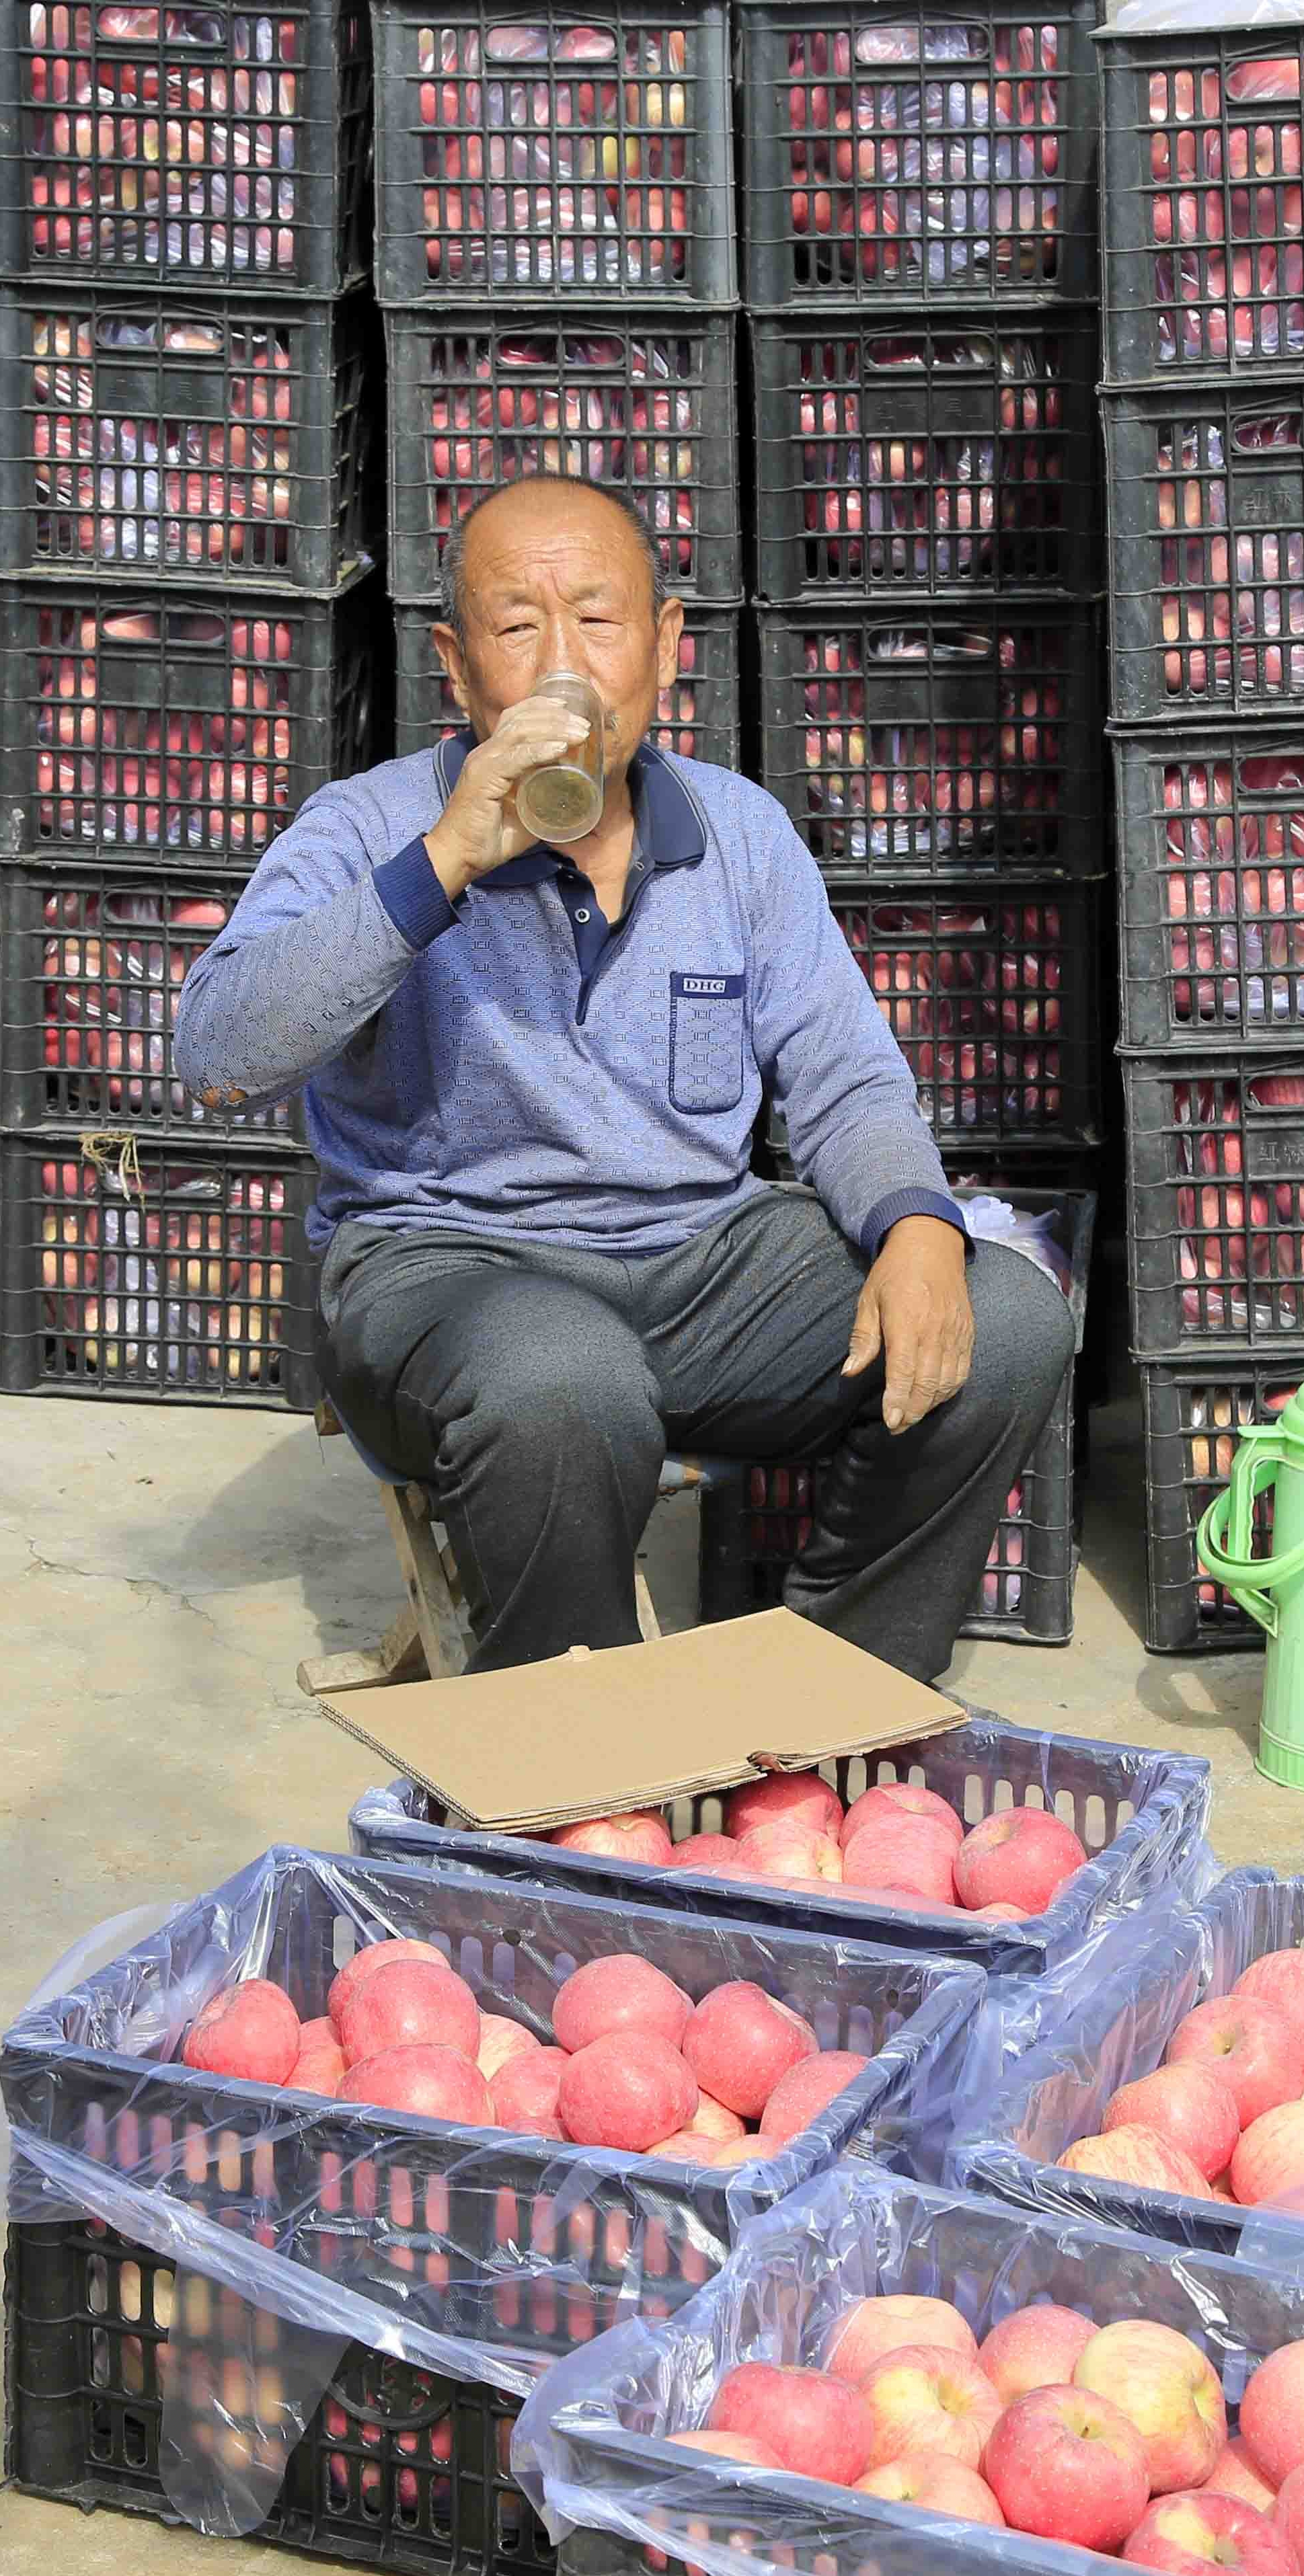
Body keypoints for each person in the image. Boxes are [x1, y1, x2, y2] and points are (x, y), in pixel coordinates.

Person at [177, 472, 1077, 1678]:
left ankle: (827, 1696)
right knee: (561, 1375)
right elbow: (220, 1055)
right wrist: (443, 861)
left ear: (665, 649)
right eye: (516, 626)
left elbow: (845, 1072)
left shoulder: (738, 833)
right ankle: (575, 1764)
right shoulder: (366, 825)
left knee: (1009, 1313)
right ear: (457, 667)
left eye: (598, 622)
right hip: (444, 1269)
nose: (564, 663)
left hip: (704, 1267)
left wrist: (918, 1225)